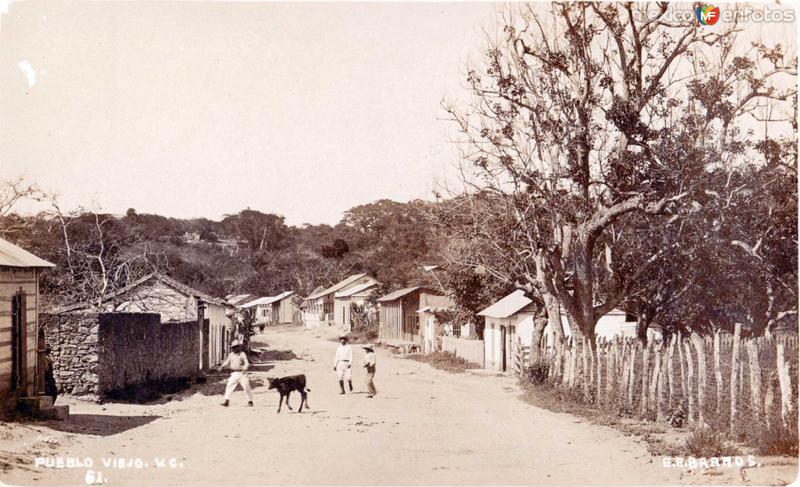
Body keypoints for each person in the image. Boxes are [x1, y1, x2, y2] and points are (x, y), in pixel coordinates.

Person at [218, 340, 253, 407]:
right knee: (229, 386)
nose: (233, 349)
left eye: (235, 347)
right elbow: (227, 362)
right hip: (234, 373)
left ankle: (250, 401)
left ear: (238, 347)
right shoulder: (230, 355)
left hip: (242, 373)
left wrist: (245, 369)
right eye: (232, 347)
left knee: (246, 387)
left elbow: (246, 362)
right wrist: (222, 366)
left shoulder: (242, 354)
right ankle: (226, 401)